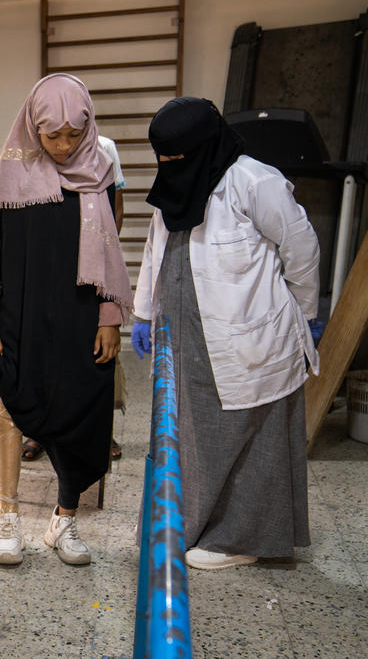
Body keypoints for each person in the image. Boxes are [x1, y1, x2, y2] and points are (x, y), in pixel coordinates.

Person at [130, 97, 320, 570]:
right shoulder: (177, 182)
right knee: (183, 432)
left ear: (204, 145)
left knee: (247, 433)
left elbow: (302, 248)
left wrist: (305, 311)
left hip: (247, 334)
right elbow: (156, 247)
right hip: (183, 331)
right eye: (164, 158)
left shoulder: (254, 182)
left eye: (177, 157)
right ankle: (184, 527)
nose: (170, 166)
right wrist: (141, 312)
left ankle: (240, 539)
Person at [0, 73, 133, 566]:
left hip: (81, 315)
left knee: (81, 414)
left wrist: (111, 316)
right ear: (33, 127)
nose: (64, 146)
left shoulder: (100, 171)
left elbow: (111, 249)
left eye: (73, 134)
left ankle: (65, 519)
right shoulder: (10, 174)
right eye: (53, 136)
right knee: (10, 406)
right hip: (21, 314)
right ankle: (7, 518)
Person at [22, 134, 127, 462]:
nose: (63, 141)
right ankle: (39, 431)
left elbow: (115, 208)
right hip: (48, 268)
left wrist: (101, 254)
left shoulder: (104, 147)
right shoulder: (29, 153)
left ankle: (101, 432)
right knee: (44, 351)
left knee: (96, 350)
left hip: (90, 263)